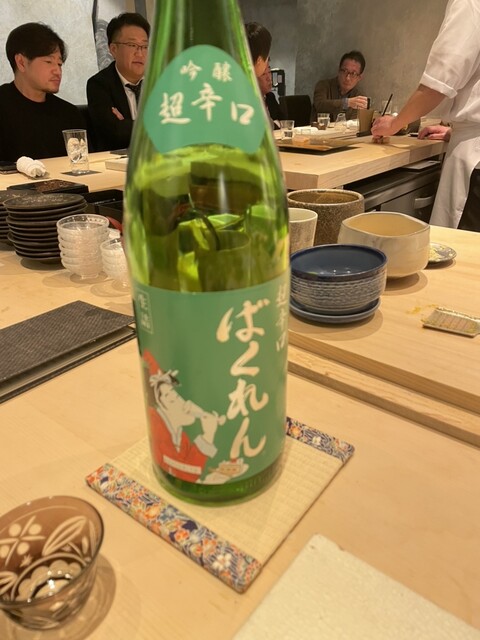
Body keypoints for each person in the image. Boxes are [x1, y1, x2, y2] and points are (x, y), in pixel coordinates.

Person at [371, 0, 480, 231]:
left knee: (462, 251)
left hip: (475, 160)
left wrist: (394, 124)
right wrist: (454, 131)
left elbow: (438, 84)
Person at [0, 23, 85, 162]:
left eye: (59, 64)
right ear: (21, 62)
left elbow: (82, 163)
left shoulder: (69, 114)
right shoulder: (3, 106)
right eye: (48, 62)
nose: (57, 71)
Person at [87, 12, 150, 151]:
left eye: (145, 46)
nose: (140, 53)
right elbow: (114, 134)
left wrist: (127, 125)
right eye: (132, 45)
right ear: (113, 49)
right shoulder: (99, 85)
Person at [312, 51, 368, 122]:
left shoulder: (359, 96)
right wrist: (347, 103)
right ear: (339, 71)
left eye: (353, 74)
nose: (347, 78)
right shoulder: (323, 85)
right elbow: (320, 105)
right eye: (345, 71)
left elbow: (355, 122)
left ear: (359, 77)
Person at [257, 64, 285, 129]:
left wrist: (276, 123)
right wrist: (275, 123)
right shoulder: (250, 100)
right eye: (263, 74)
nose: (269, 78)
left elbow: (283, 121)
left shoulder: (270, 96)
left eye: (269, 72)